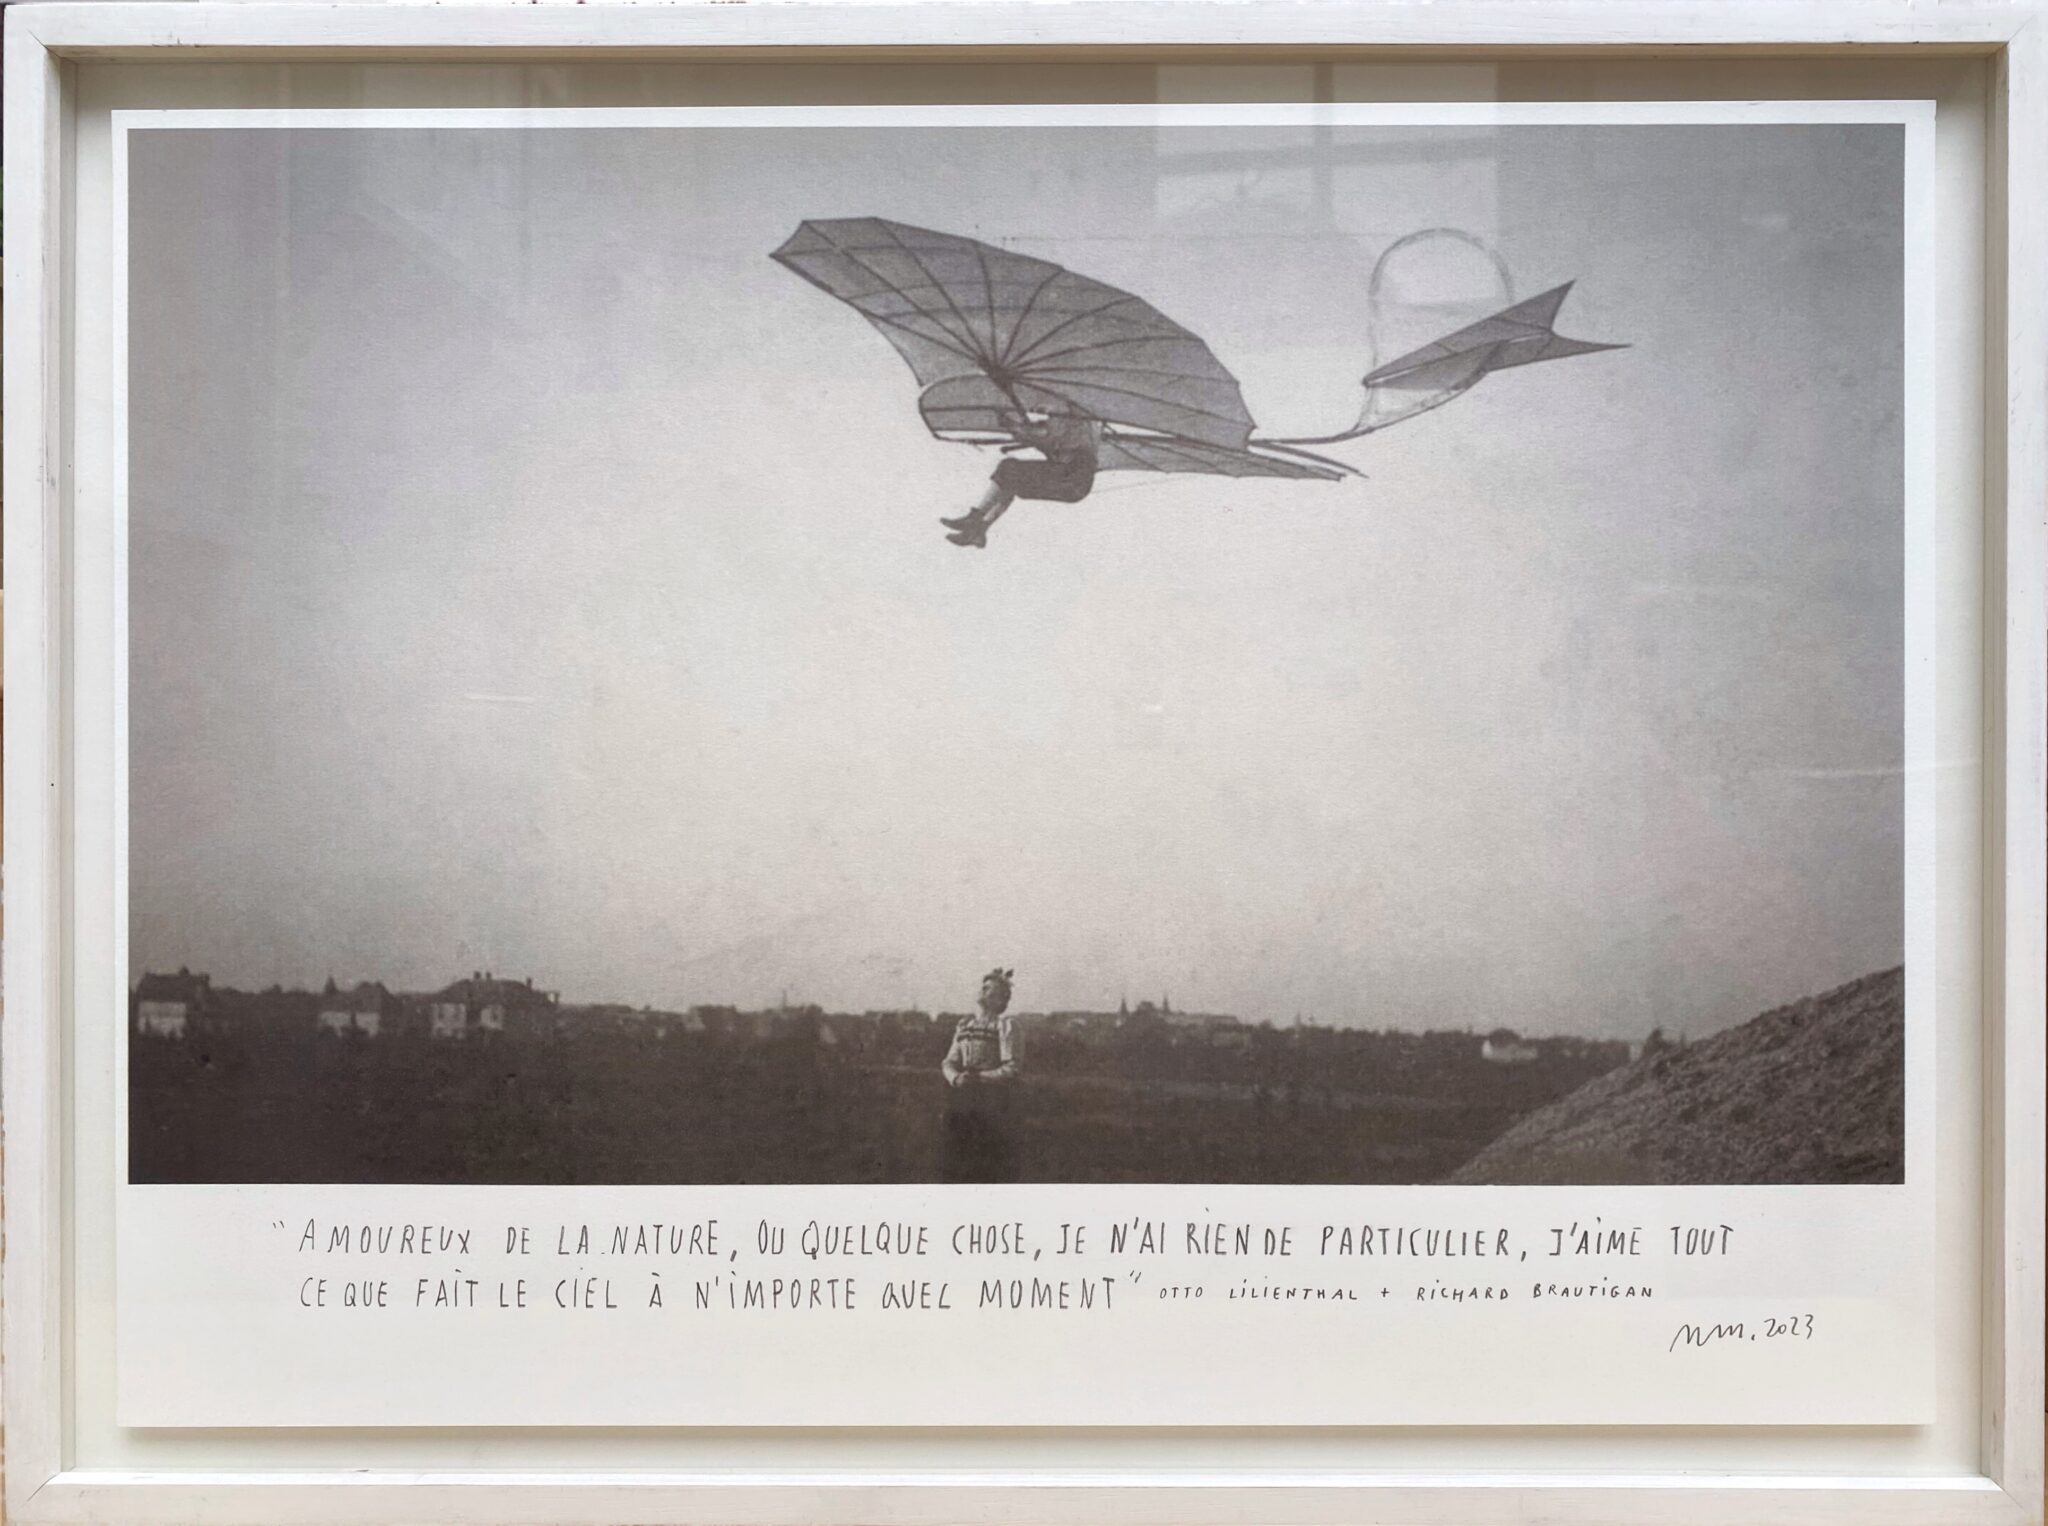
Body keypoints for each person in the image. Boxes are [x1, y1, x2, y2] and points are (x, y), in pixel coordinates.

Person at [940, 411, 1104, 547]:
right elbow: (1049, 441)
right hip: (1076, 483)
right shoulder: (1081, 425)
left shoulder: (1071, 418)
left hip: (1070, 476)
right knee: (1012, 481)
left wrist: (1017, 428)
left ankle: (975, 518)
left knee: (1008, 467)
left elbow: (1046, 436)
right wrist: (1020, 430)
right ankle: (979, 529)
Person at [940, 967, 1024, 1181]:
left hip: (992, 1099)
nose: (982, 991)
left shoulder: (1006, 1026)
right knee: (958, 1150)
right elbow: (949, 1061)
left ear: (1000, 1000)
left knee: (987, 1154)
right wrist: (956, 1078)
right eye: (983, 987)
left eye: (989, 989)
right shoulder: (964, 1025)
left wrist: (980, 1078)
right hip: (962, 1095)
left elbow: (1012, 1067)